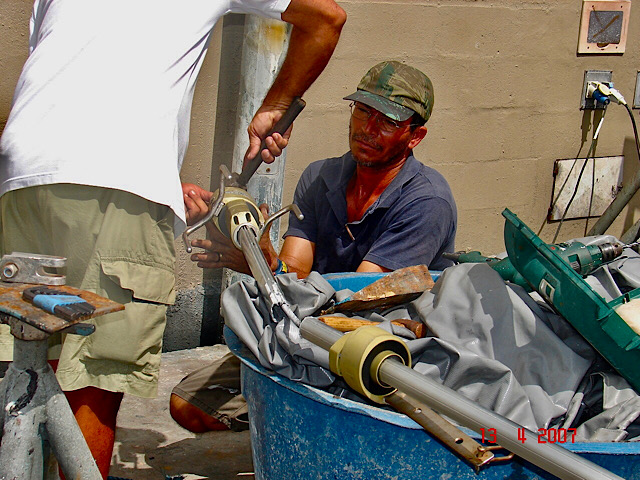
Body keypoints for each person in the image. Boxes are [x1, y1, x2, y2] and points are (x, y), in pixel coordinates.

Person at [0, 0, 345, 477]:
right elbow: (326, 18)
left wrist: (157, 181)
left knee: (31, 357)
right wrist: (275, 106)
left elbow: (68, 69)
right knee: (96, 378)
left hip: (23, 170)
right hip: (112, 180)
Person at [170, 60, 457, 432]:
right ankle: (288, 423)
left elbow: (358, 304)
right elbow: (294, 273)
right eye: (363, 111)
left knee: (331, 421)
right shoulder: (320, 177)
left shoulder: (426, 202)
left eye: (387, 121)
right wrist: (256, 256)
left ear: (415, 137)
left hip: (381, 351)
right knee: (188, 406)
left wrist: (268, 269)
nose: (368, 129)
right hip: (310, 331)